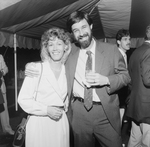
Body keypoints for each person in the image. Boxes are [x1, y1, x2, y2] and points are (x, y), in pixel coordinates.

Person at [25, 11, 130, 147]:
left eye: (84, 27)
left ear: (91, 26)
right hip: (79, 114)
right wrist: (31, 65)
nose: (81, 33)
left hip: (106, 114)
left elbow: (126, 76)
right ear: (72, 34)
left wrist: (106, 80)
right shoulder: (70, 51)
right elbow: (52, 58)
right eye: (76, 30)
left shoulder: (111, 50)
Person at [18, 27, 71, 147]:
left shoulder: (68, 70)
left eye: (59, 44)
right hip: (39, 123)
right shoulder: (36, 69)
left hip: (60, 123)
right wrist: (46, 110)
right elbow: (23, 99)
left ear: (65, 47)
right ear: (46, 48)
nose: (55, 48)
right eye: (51, 44)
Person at [126, 24, 150, 147]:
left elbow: (130, 80)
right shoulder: (149, 51)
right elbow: (148, 80)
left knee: (135, 140)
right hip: (147, 109)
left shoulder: (135, 52)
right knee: (147, 142)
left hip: (135, 105)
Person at [116, 29, 131, 124]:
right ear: (118, 41)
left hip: (122, 95)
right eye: (125, 39)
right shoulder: (116, 55)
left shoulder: (125, 55)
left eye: (129, 39)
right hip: (116, 96)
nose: (128, 42)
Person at [0, 54, 14, 135]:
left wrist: (2, 72)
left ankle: (7, 128)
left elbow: (6, 68)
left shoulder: (0, 56)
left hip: (1, 87)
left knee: (4, 109)